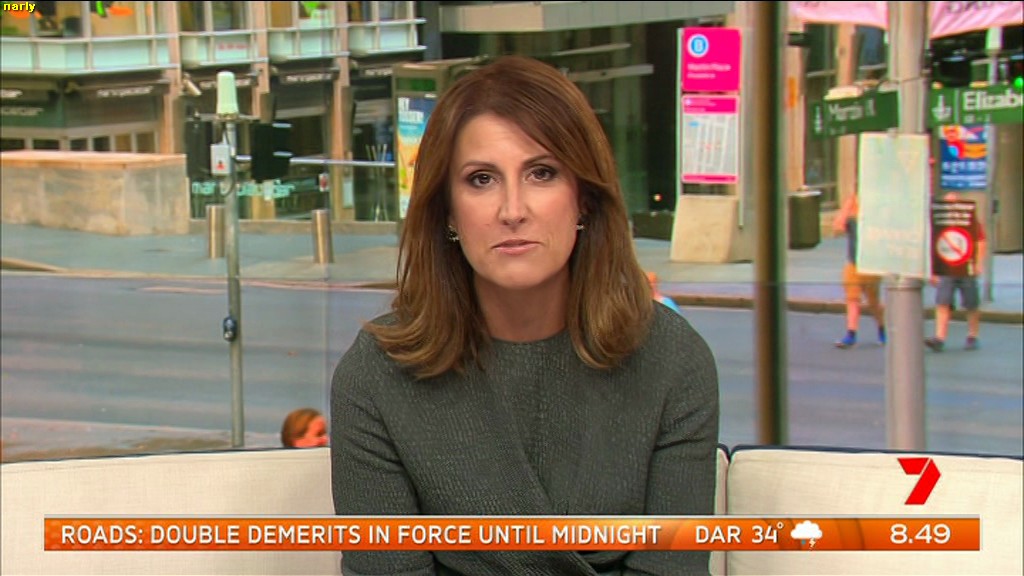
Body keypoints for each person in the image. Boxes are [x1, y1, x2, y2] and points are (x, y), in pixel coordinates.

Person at [330, 55, 720, 576]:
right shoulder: (374, 378)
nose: (512, 210)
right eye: (481, 179)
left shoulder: (673, 361)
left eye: (541, 173)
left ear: (583, 198)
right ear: (447, 210)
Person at [925, 192, 986, 352]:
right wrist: (932, 271)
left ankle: (972, 335)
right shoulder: (938, 223)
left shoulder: (970, 221)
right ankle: (939, 337)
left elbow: (980, 241)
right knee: (942, 302)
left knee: (971, 304)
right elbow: (932, 245)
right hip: (945, 268)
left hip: (966, 266)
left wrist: (979, 263)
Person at [832, 192, 886, 349]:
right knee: (852, 298)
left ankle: (882, 328)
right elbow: (837, 227)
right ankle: (851, 333)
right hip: (853, 263)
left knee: (873, 302)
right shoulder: (851, 215)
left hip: (871, 264)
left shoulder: (875, 213)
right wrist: (848, 205)